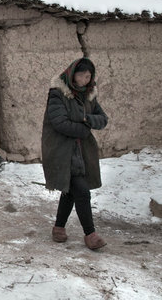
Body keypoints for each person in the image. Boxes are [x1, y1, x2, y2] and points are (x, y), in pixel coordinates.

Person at [41, 57, 108, 250]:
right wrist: (85, 129)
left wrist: (86, 118)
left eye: (89, 76)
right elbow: (59, 122)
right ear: (72, 75)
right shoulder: (58, 93)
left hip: (82, 151)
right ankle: (90, 234)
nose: (85, 80)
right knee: (81, 190)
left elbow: (103, 119)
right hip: (61, 150)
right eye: (82, 75)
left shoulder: (89, 95)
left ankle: (58, 228)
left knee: (70, 190)